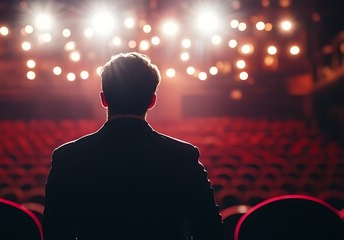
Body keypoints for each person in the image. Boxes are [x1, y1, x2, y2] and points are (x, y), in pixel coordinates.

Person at [43, 52, 224, 240]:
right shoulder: (183, 156)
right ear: (152, 101)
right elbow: (210, 230)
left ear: (104, 99)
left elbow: (55, 232)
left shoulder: (68, 157)